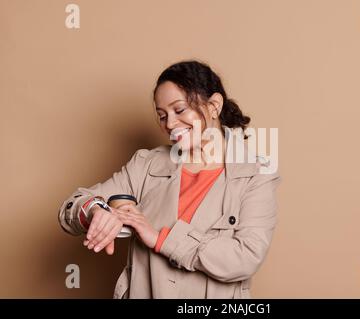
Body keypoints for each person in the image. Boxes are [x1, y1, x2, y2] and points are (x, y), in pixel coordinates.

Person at [58, 60, 281, 298]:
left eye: (180, 109)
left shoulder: (256, 174)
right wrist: (96, 211)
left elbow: (245, 258)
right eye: (162, 115)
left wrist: (160, 239)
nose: (170, 124)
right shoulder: (146, 165)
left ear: (214, 105)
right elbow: (72, 207)